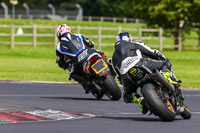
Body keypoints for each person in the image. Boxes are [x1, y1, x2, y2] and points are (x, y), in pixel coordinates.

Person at [111, 32, 179, 114]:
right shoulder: (134, 43)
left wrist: (127, 84)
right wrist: (164, 58)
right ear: (129, 38)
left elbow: (119, 77)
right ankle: (170, 81)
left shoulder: (113, 58)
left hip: (126, 75)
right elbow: (153, 52)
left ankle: (140, 100)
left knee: (127, 97)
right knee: (165, 64)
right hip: (140, 64)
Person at [55, 24, 96, 93]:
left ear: (58, 35)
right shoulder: (78, 35)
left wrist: (63, 65)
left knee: (73, 74)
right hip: (89, 53)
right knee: (101, 55)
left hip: (78, 60)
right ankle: (110, 68)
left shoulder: (59, 46)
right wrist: (91, 45)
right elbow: (90, 44)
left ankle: (88, 83)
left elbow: (61, 61)